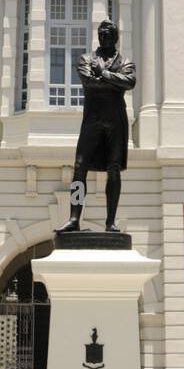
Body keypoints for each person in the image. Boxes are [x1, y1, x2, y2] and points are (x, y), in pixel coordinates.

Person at [57, 20, 136, 233]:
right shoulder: (86, 58)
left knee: (114, 169)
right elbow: (88, 82)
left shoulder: (125, 61)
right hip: (93, 118)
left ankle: (110, 221)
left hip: (115, 120)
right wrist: (113, 81)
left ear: (115, 37)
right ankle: (74, 218)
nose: (104, 37)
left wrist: (104, 73)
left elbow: (130, 82)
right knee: (79, 166)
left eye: (109, 34)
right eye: (101, 34)